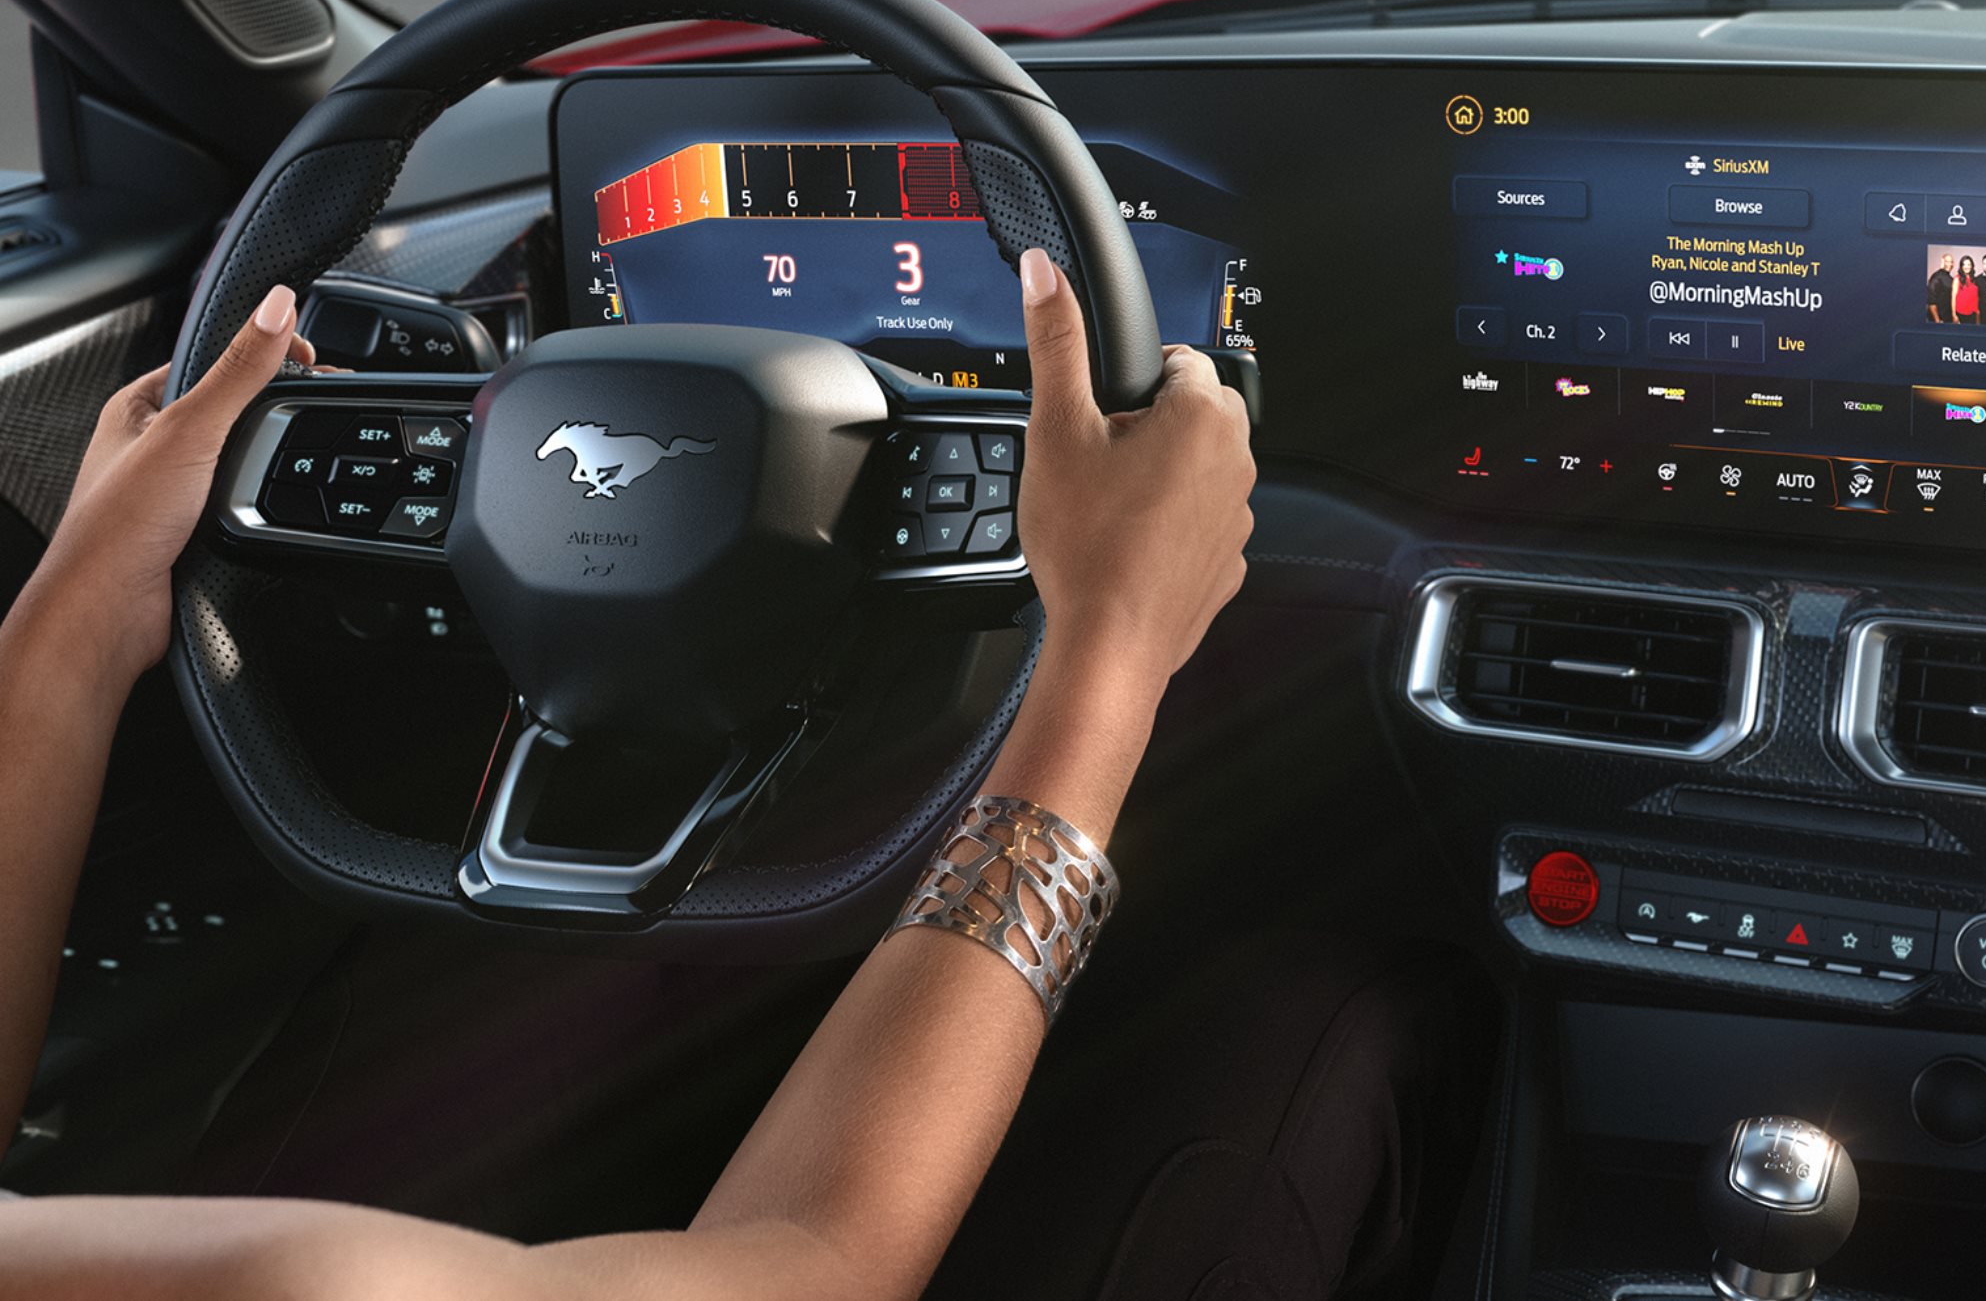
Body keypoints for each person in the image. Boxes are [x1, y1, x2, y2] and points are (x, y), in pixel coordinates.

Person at [0, 250, 1289, 1300]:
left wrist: (85, 600)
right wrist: (1111, 643)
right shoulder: (299, 1281)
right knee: (1341, 1035)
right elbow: (811, 1267)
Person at [1951, 251, 1980, 325]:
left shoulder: (1974, 279)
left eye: (1969, 264)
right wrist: (1954, 315)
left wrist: (1977, 313)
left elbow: (1976, 297)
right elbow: (1953, 297)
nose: (1966, 266)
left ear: (1972, 266)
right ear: (1961, 266)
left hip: (1973, 313)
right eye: (1964, 264)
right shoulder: (1957, 279)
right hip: (1961, 313)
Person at [1926, 253, 1955, 323]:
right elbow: (1931, 301)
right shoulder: (1936, 277)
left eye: (1952, 262)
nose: (1950, 264)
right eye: (1947, 261)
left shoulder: (1951, 279)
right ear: (1942, 262)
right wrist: (1937, 320)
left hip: (1948, 318)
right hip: (1938, 319)